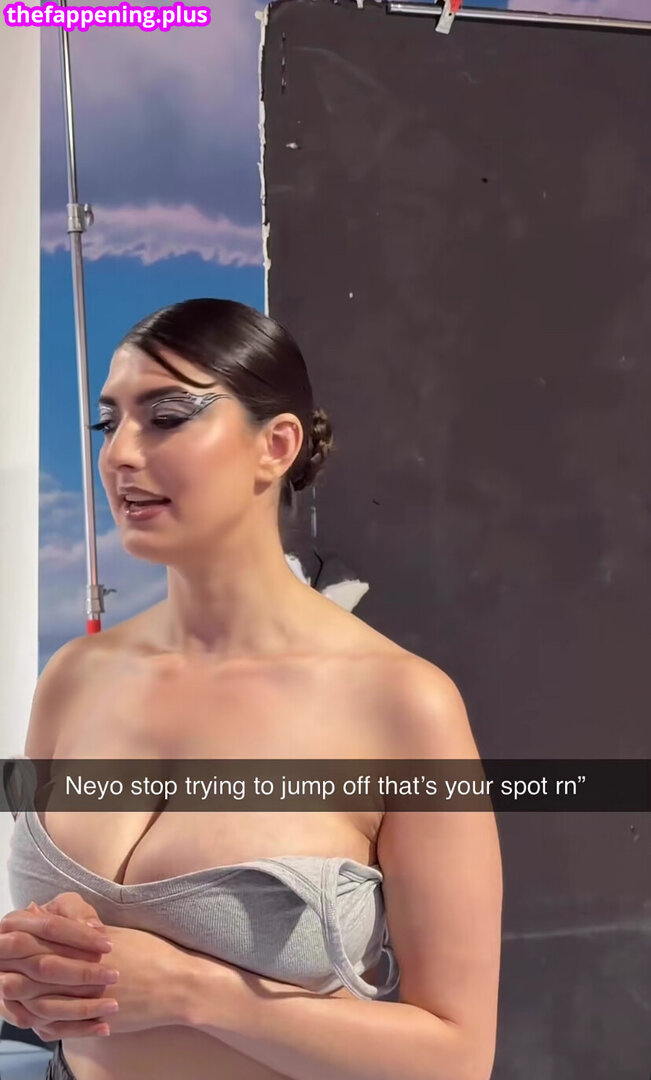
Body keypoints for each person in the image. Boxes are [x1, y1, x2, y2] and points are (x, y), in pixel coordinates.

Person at [1, 298, 503, 1080]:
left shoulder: (400, 704)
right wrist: (32, 972)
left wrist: (193, 992)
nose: (120, 453)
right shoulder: (74, 676)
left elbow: (457, 1057)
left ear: (275, 446)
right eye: (109, 422)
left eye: (167, 417)